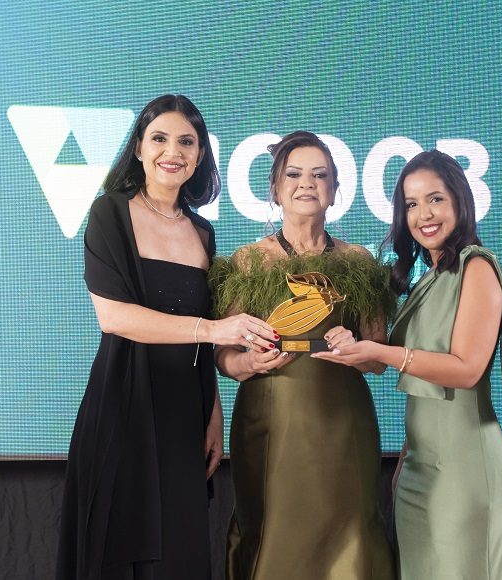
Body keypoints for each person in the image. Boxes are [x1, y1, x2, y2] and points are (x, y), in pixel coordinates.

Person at [56, 94, 277, 580]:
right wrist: (213, 329)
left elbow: (204, 339)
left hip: (185, 413)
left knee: (179, 557)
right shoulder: (109, 213)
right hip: (123, 405)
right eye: (159, 138)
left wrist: (213, 413)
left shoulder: (202, 232)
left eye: (186, 142)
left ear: (200, 156)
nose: (172, 151)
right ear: (139, 148)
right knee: (117, 552)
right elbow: (115, 318)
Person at [314, 150, 502, 579]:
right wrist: (406, 460)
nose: (423, 214)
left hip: (466, 472)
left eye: (435, 199)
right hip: (419, 472)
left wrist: (380, 352)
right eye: (412, 204)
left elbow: (466, 369)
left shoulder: (476, 267)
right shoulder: (429, 277)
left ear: (460, 201)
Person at [210, 131, 396, 580]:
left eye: (319, 175)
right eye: (293, 174)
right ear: (275, 189)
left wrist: (355, 350)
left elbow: (377, 359)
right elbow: (222, 355)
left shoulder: (359, 262)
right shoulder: (248, 262)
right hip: (269, 428)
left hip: (342, 428)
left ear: (334, 189)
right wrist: (249, 363)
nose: (306, 183)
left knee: (350, 535)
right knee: (273, 537)